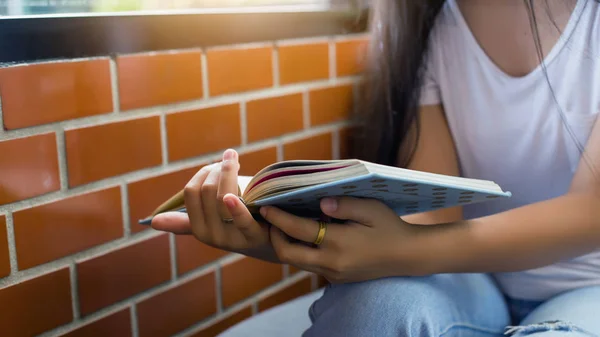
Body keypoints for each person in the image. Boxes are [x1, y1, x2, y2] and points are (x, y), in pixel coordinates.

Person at [151, 0, 600, 336]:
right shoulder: (430, 27)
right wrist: (286, 239)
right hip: (473, 275)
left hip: (588, 289)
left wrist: (401, 249)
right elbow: (437, 211)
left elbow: (591, 213)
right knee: (372, 309)